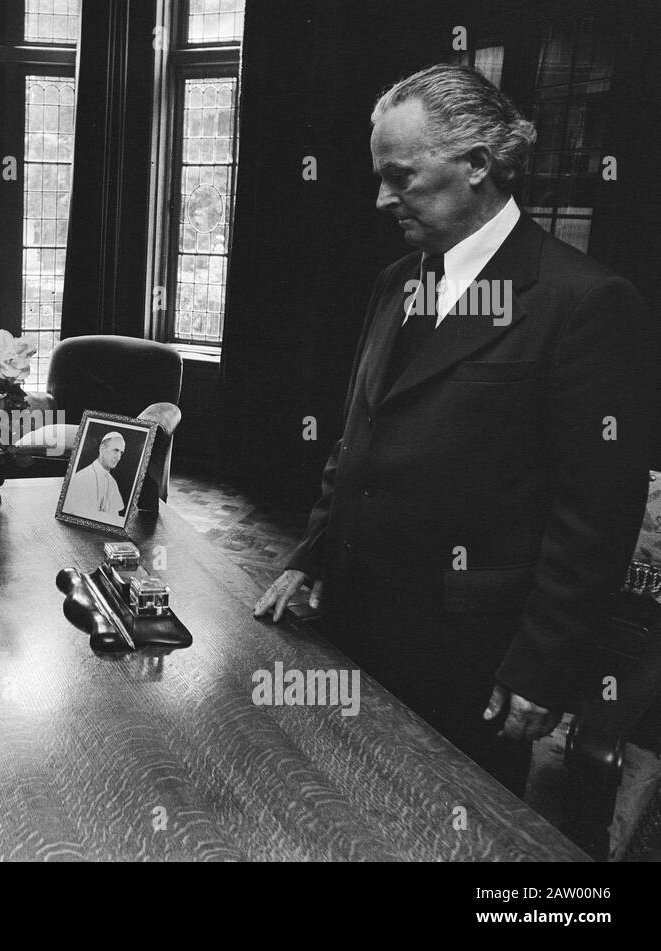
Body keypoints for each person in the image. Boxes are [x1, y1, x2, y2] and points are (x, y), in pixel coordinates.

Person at [254, 64, 651, 795]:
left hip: (468, 653)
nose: (381, 198)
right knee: (336, 800)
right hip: (352, 616)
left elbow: (595, 512)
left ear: (478, 164)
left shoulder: (584, 302)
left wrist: (543, 666)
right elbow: (358, 438)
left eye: (401, 176)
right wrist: (309, 553)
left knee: (444, 824)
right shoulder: (397, 281)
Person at [63, 432, 127, 525]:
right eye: (115, 450)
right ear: (102, 449)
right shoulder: (81, 477)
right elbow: (78, 517)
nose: (118, 457)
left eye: (121, 452)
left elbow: (115, 517)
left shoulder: (112, 482)